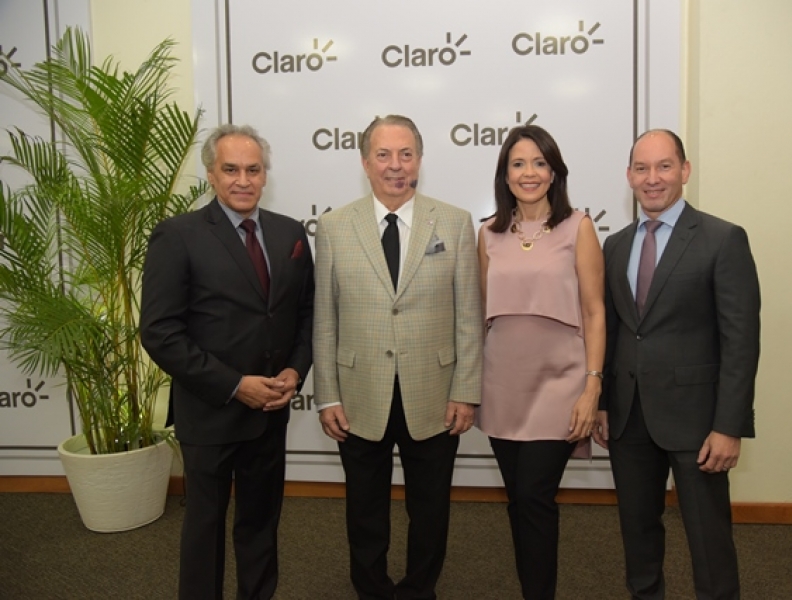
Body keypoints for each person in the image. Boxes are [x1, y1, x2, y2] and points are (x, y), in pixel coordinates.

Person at [140, 124, 315, 600]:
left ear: (265, 175)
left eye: (253, 170)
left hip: (270, 412)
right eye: (231, 169)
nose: (243, 180)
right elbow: (159, 332)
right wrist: (236, 385)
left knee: (261, 524)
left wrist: (295, 371)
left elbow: (304, 314)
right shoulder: (178, 235)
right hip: (210, 412)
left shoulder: (290, 233)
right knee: (205, 529)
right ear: (211, 175)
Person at [313, 114, 483, 600]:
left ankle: (419, 589)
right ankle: (371, 589)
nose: (395, 165)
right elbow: (325, 318)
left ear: (420, 160)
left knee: (430, 508)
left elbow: (468, 316)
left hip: (434, 393)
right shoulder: (334, 226)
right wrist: (327, 396)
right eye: (383, 155)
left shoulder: (453, 221)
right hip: (358, 393)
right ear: (365, 162)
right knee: (364, 507)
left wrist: (465, 391)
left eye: (406, 154)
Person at [594, 129, 760, 600]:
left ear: (684, 171)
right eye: (642, 168)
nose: (653, 178)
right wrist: (603, 403)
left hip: (698, 423)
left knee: (708, 539)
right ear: (629, 176)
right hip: (628, 417)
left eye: (664, 166)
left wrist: (729, 426)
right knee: (638, 533)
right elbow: (614, 332)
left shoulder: (722, 239)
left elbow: (741, 341)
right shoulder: (615, 246)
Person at [476, 125, 605, 600]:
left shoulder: (579, 227)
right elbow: (481, 313)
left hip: (561, 385)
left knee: (533, 495)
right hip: (502, 385)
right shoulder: (488, 233)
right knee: (520, 499)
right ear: (505, 174)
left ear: (554, 173)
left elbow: (594, 311)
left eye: (539, 163)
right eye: (518, 163)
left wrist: (593, 387)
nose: (528, 173)